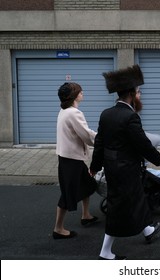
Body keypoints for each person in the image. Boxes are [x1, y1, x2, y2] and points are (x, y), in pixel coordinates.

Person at [90, 65, 160, 260]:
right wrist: (157, 158)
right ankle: (105, 251)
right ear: (131, 94)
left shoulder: (106, 113)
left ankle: (147, 230)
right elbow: (142, 143)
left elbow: (99, 143)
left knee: (137, 200)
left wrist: (94, 166)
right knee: (119, 208)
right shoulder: (130, 116)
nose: (139, 96)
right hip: (126, 171)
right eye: (138, 92)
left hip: (113, 168)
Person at [53, 82, 98, 239]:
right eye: (79, 91)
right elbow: (86, 135)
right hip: (71, 160)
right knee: (67, 194)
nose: (82, 92)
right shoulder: (73, 113)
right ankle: (58, 229)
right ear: (73, 95)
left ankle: (86, 215)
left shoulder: (64, 111)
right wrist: (103, 138)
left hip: (70, 158)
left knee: (88, 185)